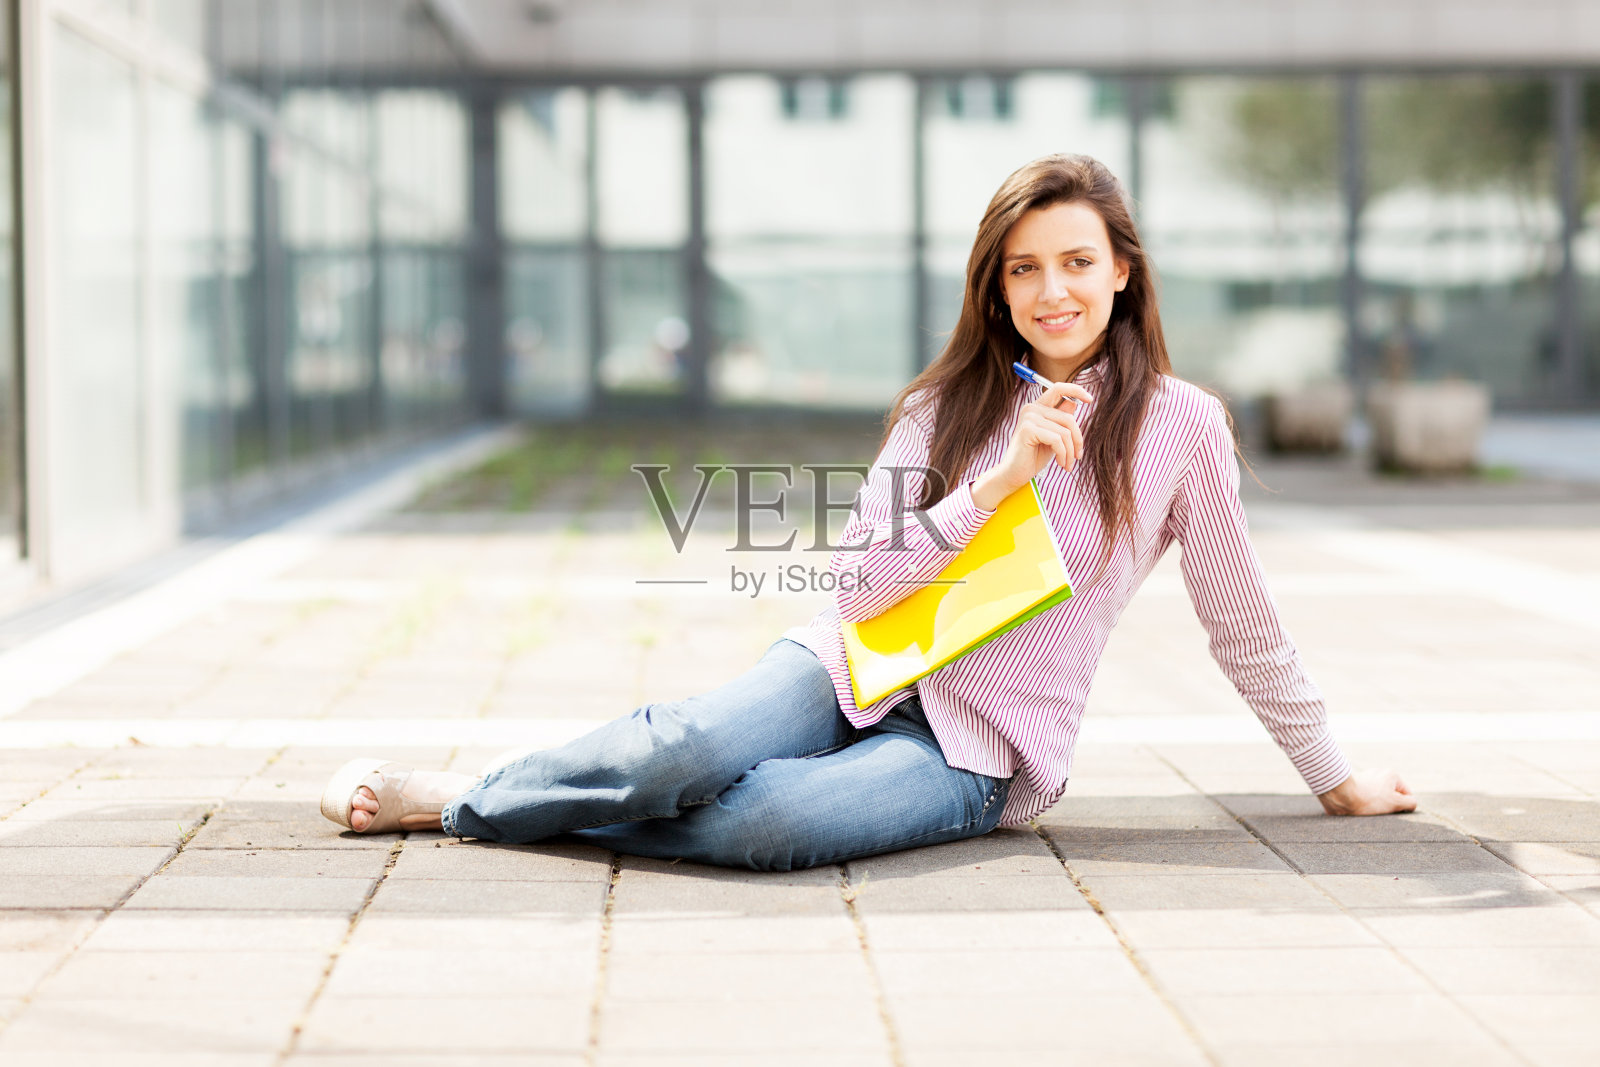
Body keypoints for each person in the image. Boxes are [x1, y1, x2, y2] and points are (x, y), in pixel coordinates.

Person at [320, 153, 1415, 869]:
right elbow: (858, 583)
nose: (1053, 291)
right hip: (851, 662)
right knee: (688, 748)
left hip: (978, 747)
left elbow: (1243, 623)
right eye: (1025, 270)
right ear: (995, 289)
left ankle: (512, 803)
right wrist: (996, 486)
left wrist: (1333, 776)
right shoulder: (947, 405)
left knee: (769, 821)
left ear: (1123, 271)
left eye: (1078, 262)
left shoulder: (1182, 427)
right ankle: (470, 794)